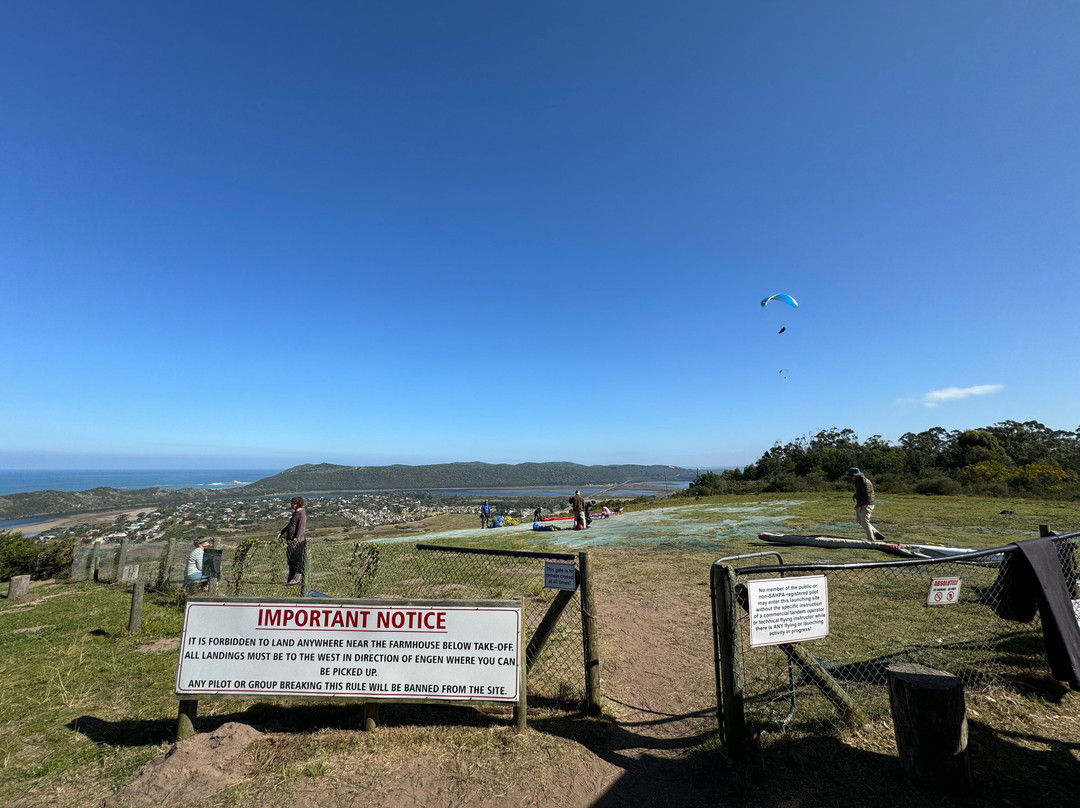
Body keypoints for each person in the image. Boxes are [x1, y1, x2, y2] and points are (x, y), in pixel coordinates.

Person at [846, 468, 886, 542]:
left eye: (852, 476)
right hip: (862, 503)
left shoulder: (864, 482)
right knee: (859, 520)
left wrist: (859, 505)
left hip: (867, 504)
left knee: (864, 521)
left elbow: (867, 496)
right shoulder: (859, 481)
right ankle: (876, 533)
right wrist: (855, 495)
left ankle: (870, 539)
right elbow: (861, 491)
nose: (851, 477)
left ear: (856, 475)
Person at [278, 496, 307, 585]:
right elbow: (290, 525)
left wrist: (296, 540)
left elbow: (301, 528)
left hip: (297, 542)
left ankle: (297, 577)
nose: (291, 505)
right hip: (290, 541)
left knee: (296, 559)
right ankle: (290, 577)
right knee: (290, 559)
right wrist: (282, 532)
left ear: (297, 504)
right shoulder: (295, 513)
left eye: (293, 503)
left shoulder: (301, 514)